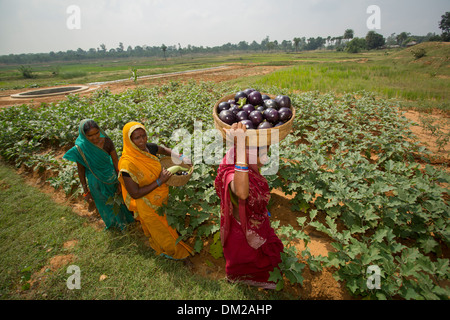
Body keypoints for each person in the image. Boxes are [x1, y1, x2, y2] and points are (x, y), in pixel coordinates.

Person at [214, 122, 284, 289]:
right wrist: (240, 143)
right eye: (262, 152)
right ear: (247, 152)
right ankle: (245, 278)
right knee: (251, 262)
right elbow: (242, 193)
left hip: (255, 221)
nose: (266, 158)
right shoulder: (232, 173)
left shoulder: (246, 164)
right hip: (244, 233)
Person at [118, 121, 193, 260]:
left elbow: (164, 150)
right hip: (146, 203)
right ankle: (178, 254)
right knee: (162, 231)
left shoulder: (148, 148)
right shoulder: (127, 164)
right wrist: (160, 181)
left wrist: (181, 157)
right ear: (129, 140)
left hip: (161, 196)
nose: (142, 141)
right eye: (137, 138)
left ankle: (166, 247)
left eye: (144, 136)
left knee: (164, 225)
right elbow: (135, 193)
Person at [63, 119, 135, 231]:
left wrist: (121, 180)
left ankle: (125, 224)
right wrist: (85, 190)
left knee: (118, 202)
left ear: (100, 131)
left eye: (96, 133)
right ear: (84, 135)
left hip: (111, 178)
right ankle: (113, 225)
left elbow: (116, 161)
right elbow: (81, 170)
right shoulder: (80, 149)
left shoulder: (107, 142)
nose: (95, 137)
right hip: (95, 182)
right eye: (90, 135)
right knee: (104, 205)